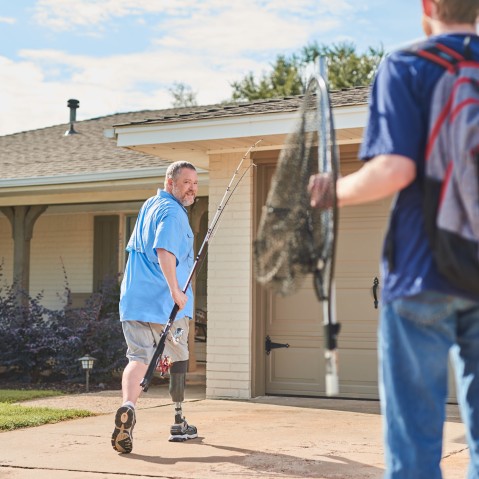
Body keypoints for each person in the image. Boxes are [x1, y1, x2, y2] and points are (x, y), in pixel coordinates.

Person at [309, 1, 479, 477]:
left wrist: (334, 191)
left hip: (421, 272)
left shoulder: (406, 65)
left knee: (414, 445)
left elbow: (395, 168)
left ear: (428, 7)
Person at [111, 161, 199, 454]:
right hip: (165, 306)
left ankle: (128, 407)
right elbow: (164, 250)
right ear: (170, 183)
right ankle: (178, 420)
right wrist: (175, 290)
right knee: (178, 358)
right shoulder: (173, 213)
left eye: (196, 183)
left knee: (137, 357)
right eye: (186, 182)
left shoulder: (150, 205)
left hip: (134, 302)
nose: (192, 188)